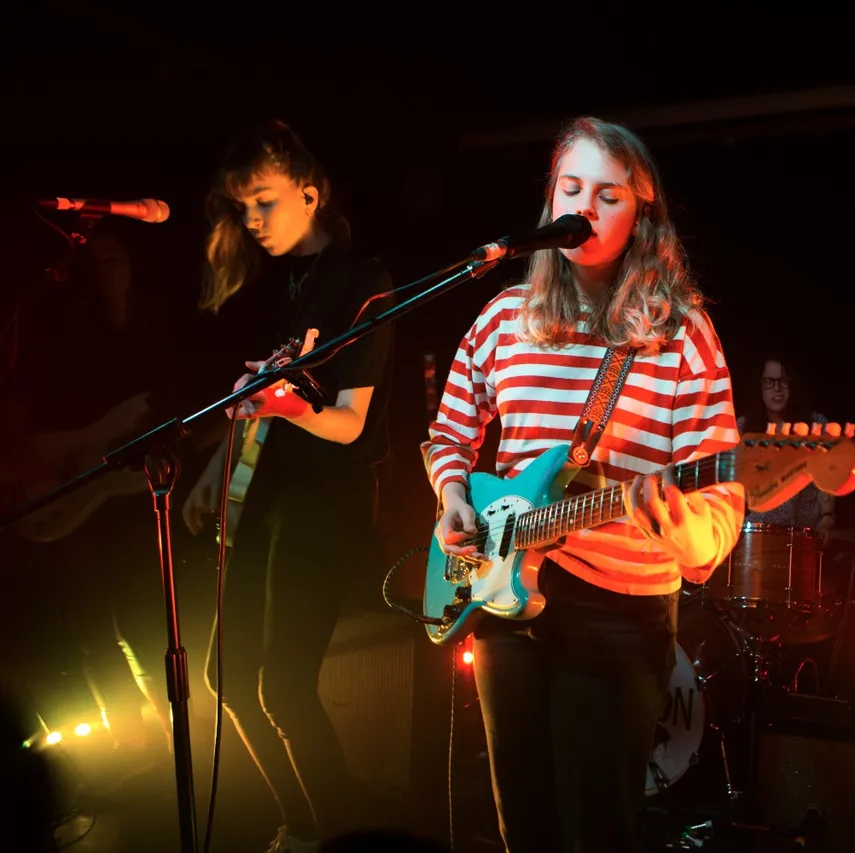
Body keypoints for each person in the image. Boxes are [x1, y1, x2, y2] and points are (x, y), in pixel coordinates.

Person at [425, 116, 744, 853]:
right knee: (525, 828)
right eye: (572, 189)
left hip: (618, 615)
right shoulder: (506, 317)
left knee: (597, 831)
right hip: (504, 601)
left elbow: (722, 500)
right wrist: (452, 499)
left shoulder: (679, 333)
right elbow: (448, 432)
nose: (585, 209)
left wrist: (676, 523)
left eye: (608, 194)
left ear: (644, 211)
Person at [180, 119, 395, 852]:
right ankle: (304, 825)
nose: (252, 221)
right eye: (243, 207)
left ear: (310, 193)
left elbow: (349, 424)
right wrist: (215, 471)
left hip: (324, 506)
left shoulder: (363, 282)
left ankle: (331, 835)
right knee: (225, 677)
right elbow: (253, 397)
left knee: (283, 686)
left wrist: (291, 404)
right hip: (267, 500)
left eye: (264, 202)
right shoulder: (287, 288)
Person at [0, 219, 197, 780]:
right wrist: (82, 441)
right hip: (70, 498)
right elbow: (19, 424)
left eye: (119, 254)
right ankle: (134, 749)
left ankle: (168, 746)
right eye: (100, 256)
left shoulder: (156, 334)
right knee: (93, 631)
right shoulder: (58, 338)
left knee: (144, 625)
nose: (111, 263)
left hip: (130, 502)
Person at [735, 354, 836, 543]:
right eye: (769, 381)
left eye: (783, 381)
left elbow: (827, 479)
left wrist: (827, 519)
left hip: (802, 536)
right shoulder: (742, 428)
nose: (777, 388)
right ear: (759, 385)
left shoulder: (816, 426)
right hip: (753, 537)